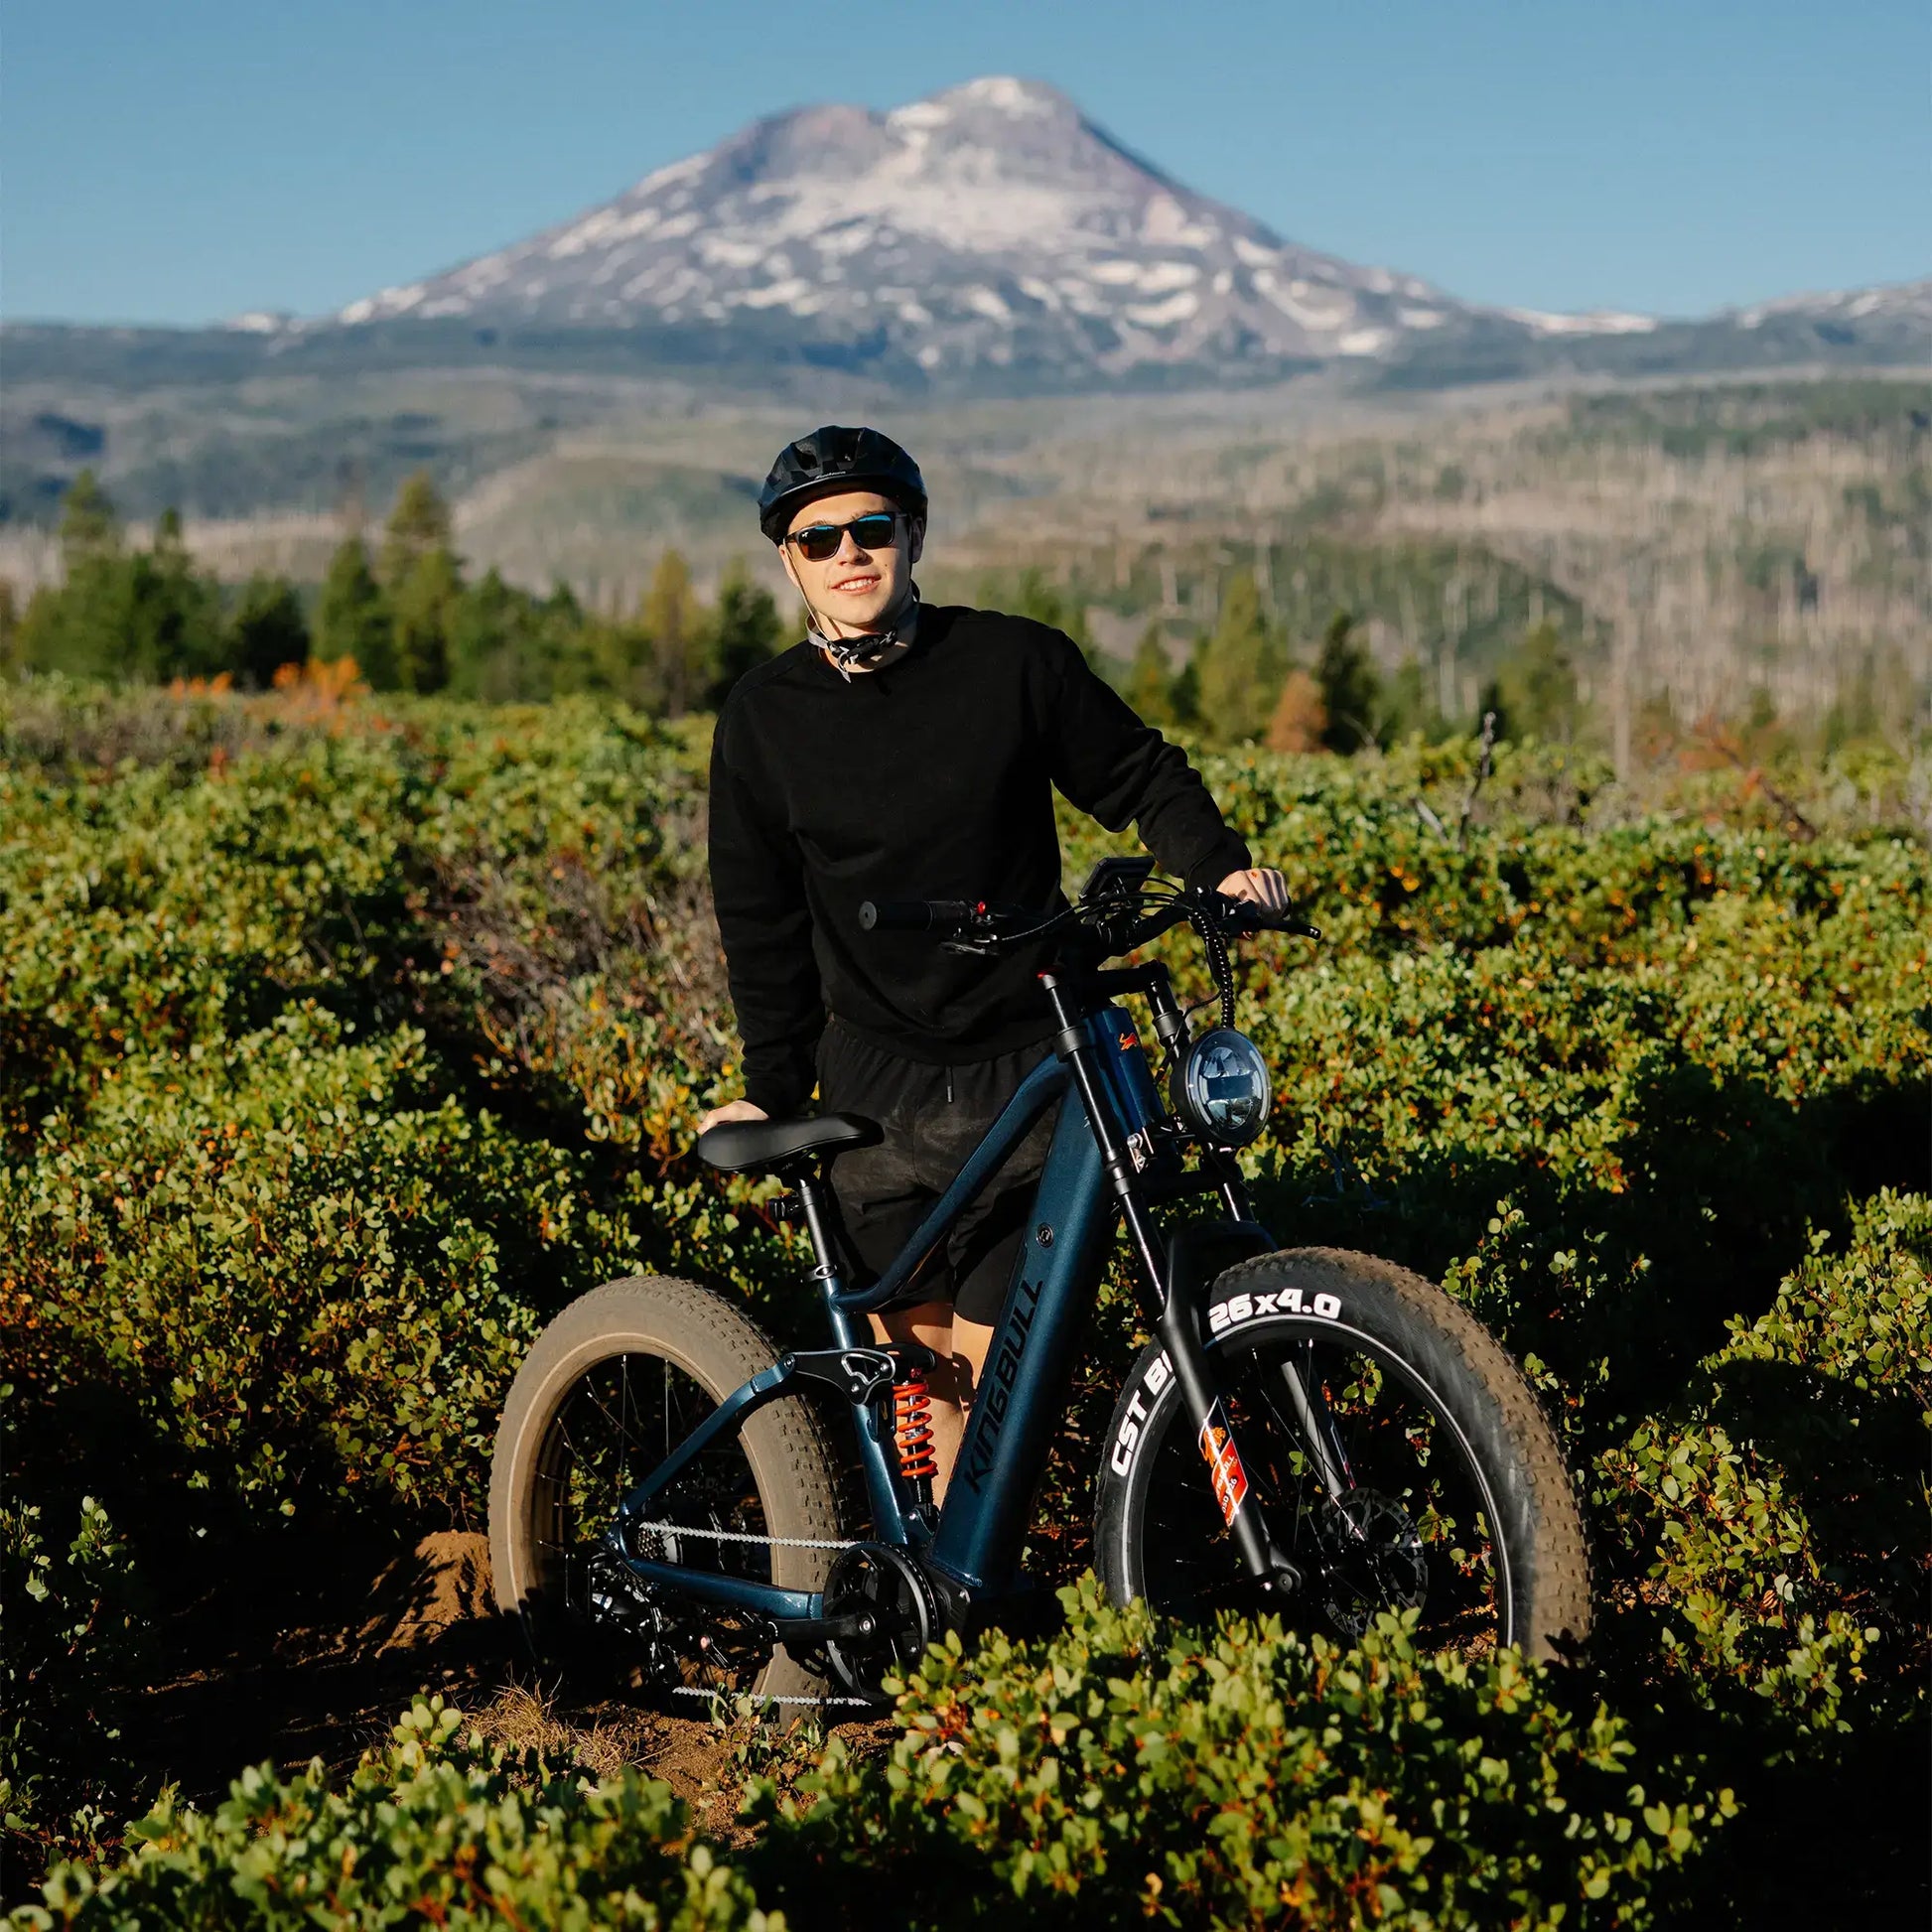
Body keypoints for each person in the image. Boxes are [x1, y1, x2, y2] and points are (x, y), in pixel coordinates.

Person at [700, 426, 1290, 1497]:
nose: (848, 552)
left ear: (912, 533)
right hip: (873, 1095)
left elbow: (1136, 773)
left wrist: (1220, 870)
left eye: (870, 526)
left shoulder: (1012, 663)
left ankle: (961, 1637)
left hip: (1026, 1074)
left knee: (992, 1389)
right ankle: (915, 1625)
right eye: (816, 536)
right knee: (922, 1399)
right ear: (786, 559)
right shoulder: (762, 718)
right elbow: (762, 925)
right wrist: (768, 1089)